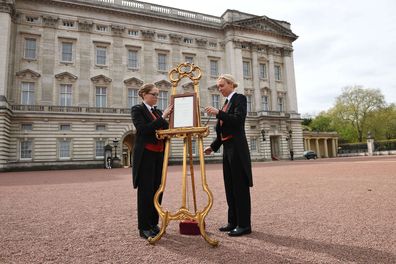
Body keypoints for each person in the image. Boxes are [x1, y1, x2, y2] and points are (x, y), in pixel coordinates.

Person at [204, 74, 253, 237]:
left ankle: (244, 224)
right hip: (228, 149)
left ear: (231, 84)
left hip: (238, 149)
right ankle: (233, 221)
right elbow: (222, 132)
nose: (220, 89)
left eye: (222, 85)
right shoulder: (226, 104)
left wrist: (218, 112)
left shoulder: (240, 99)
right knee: (230, 186)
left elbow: (238, 121)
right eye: (218, 86)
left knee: (240, 187)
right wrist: (212, 147)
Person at [131, 83, 173, 239]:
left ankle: (153, 223)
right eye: (154, 94)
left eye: (157, 94)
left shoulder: (158, 112)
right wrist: (163, 118)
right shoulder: (137, 110)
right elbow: (143, 130)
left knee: (158, 190)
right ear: (144, 94)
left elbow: (165, 129)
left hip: (159, 156)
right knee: (146, 192)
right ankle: (144, 227)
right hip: (146, 156)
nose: (157, 97)